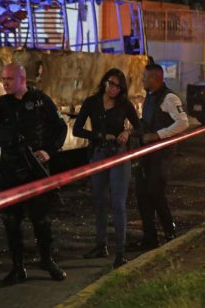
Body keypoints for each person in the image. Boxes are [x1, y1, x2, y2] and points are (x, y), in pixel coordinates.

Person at [0, 63, 67, 284]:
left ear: (22, 79)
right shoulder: (2, 104)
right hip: (10, 171)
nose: (4, 83)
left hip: (35, 170)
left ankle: (47, 261)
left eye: (9, 79)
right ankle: (18, 267)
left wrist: (49, 151)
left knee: (42, 221)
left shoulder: (40, 101)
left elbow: (60, 128)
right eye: (3, 79)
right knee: (11, 221)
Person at [73, 68, 141, 268]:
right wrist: (100, 136)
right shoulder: (92, 103)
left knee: (118, 203)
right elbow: (78, 129)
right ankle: (100, 244)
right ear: (104, 82)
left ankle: (120, 252)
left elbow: (140, 128)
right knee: (99, 201)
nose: (114, 89)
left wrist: (127, 133)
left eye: (118, 86)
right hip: (98, 153)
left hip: (119, 155)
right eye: (111, 83)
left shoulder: (124, 104)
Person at [130, 63, 189, 251]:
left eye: (145, 77)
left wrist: (158, 135)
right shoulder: (150, 96)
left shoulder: (169, 98)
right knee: (142, 194)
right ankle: (150, 237)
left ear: (156, 79)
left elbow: (183, 122)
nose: (142, 80)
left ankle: (170, 232)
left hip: (161, 154)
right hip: (147, 152)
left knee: (155, 192)